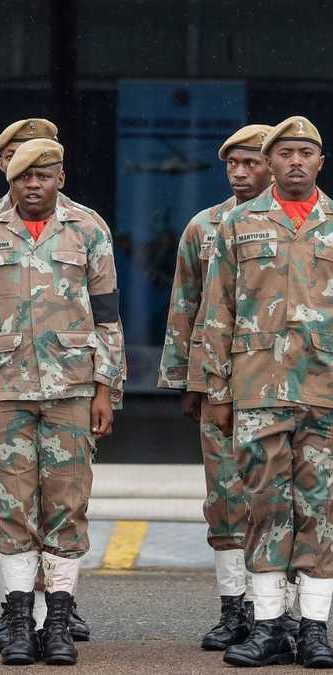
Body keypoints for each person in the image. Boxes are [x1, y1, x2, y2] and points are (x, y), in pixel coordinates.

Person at [0, 139, 123, 666]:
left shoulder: (89, 229)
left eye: (42, 176)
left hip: (73, 387)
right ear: (10, 180)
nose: (32, 185)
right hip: (4, 389)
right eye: (23, 176)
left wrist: (106, 388)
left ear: (60, 177)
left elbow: (108, 315)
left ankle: (58, 624)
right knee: (12, 505)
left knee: (67, 505)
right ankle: (20, 622)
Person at [200, 116, 333, 668]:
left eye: (306, 152)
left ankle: (316, 629)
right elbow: (217, 310)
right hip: (257, 388)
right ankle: (271, 624)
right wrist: (216, 390)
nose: (296, 161)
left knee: (321, 509)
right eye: (286, 153)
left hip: (325, 389)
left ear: (320, 162)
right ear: (271, 161)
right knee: (263, 504)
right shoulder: (238, 224)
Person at [158, 124, 275, 651]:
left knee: (279, 498)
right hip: (218, 381)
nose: (240, 173)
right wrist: (186, 378)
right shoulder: (203, 227)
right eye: (232, 164)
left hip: (280, 380)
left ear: (272, 165)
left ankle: (278, 612)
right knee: (225, 497)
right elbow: (185, 303)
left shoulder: (298, 225)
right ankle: (234, 608)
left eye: (251, 163)